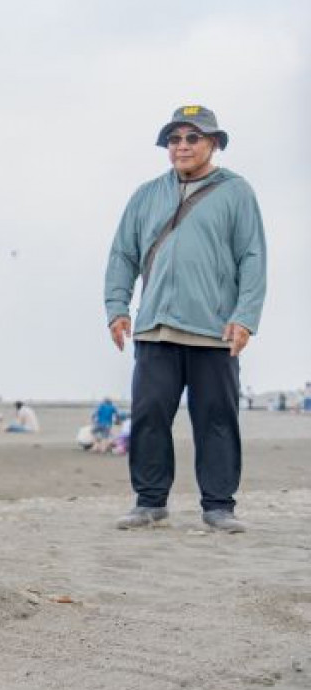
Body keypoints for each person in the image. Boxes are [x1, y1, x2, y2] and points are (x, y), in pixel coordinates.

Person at [105, 105, 265, 533]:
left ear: (213, 143)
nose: (182, 146)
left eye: (193, 138)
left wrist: (245, 316)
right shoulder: (145, 195)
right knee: (149, 414)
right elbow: (123, 254)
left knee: (216, 418)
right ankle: (150, 502)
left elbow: (252, 258)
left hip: (215, 330)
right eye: (174, 139)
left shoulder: (236, 192)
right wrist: (117, 308)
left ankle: (218, 506)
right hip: (155, 327)